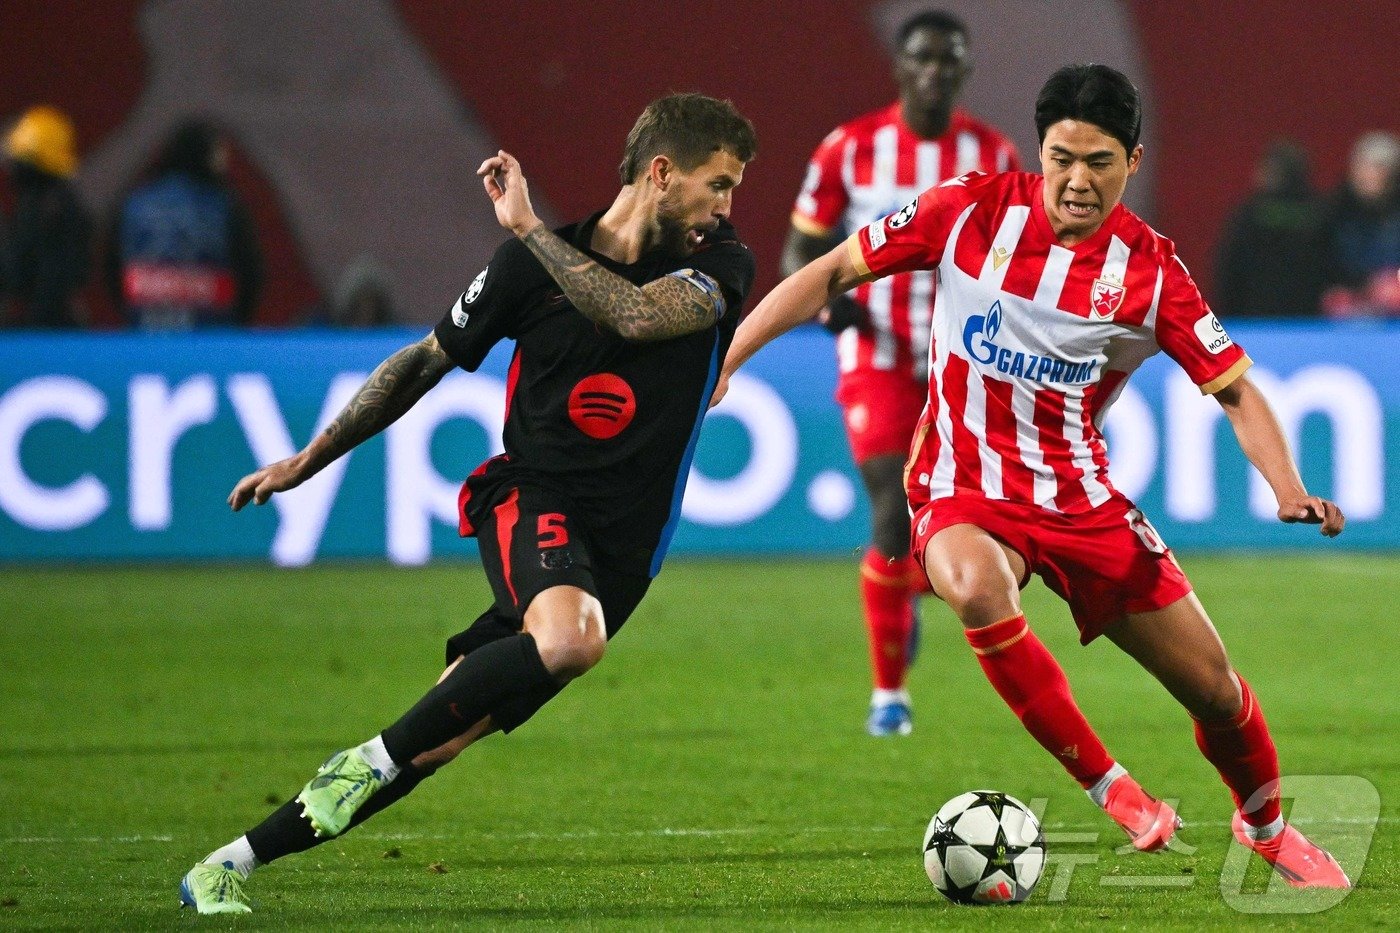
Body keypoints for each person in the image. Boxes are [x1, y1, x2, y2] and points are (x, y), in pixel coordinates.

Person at [717, 64, 1350, 889]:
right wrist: (728, 359)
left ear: (1134, 159)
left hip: (1080, 499)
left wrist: (1287, 487)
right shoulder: (966, 209)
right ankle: (1117, 791)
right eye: (1062, 158)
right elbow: (831, 270)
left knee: (1218, 691)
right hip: (959, 484)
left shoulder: (1152, 272)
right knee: (974, 585)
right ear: (1040, 151)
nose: (1077, 180)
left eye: (1100, 162)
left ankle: (1265, 826)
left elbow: (1235, 389)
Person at [178, 93, 757, 914]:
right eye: (719, 184)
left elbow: (630, 315)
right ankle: (368, 760)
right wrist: (311, 457)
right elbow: (422, 364)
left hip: (624, 555)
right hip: (532, 495)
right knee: (569, 638)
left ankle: (226, 864)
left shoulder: (722, 264)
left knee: (436, 735)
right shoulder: (528, 266)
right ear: (661, 173)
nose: (727, 207)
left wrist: (531, 230)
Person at [784, 9, 1019, 737]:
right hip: (877, 353)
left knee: (959, 522)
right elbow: (801, 250)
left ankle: (907, 589)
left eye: (949, 60)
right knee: (891, 503)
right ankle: (891, 695)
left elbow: (1015, 259)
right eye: (922, 58)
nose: (935, 71)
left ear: (965, 71)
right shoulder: (849, 149)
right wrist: (831, 309)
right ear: (900, 65)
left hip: (961, 359)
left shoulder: (993, 153)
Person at [105, 119, 262, 330]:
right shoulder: (224, 206)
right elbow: (250, 272)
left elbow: (112, 269)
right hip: (213, 340)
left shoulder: (134, 204)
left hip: (146, 337)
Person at [1214, 140, 1329, 318]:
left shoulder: (1249, 214)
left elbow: (1229, 270)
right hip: (1306, 322)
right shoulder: (1320, 212)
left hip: (1256, 320)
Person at [1, 106, 92, 328]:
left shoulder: (43, 208)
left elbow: (47, 276)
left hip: (43, 331)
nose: (9, 167)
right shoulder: (63, 203)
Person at [1320, 131, 1400, 318]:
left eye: (1379, 168)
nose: (1370, 174)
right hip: (1342, 316)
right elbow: (1320, 265)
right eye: (1365, 166)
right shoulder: (1333, 212)